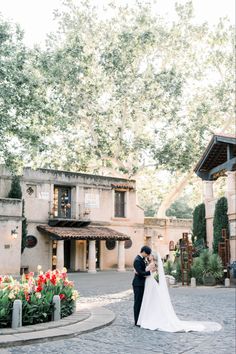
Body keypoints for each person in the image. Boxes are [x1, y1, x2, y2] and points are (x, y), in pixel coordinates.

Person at [137, 252, 222, 332]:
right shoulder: (152, 263)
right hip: (150, 282)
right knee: (152, 300)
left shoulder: (152, 264)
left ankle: (151, 317)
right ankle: (151, 316)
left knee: (151, 299)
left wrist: (137, 272)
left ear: (153, 256)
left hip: (150, 282)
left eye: (150, 255)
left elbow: (145, 273)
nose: (149, 256)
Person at [132, 245, 152, 326]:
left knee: (141, 302)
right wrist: (150, 273)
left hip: (142, 284)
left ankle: (140, 319)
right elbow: (140, 273)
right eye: (147, 254)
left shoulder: (142, 259)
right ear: (143, 252)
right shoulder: (137, 260)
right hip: (138, 284)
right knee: (137, 303)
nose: (147, 256)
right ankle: (137, 321)